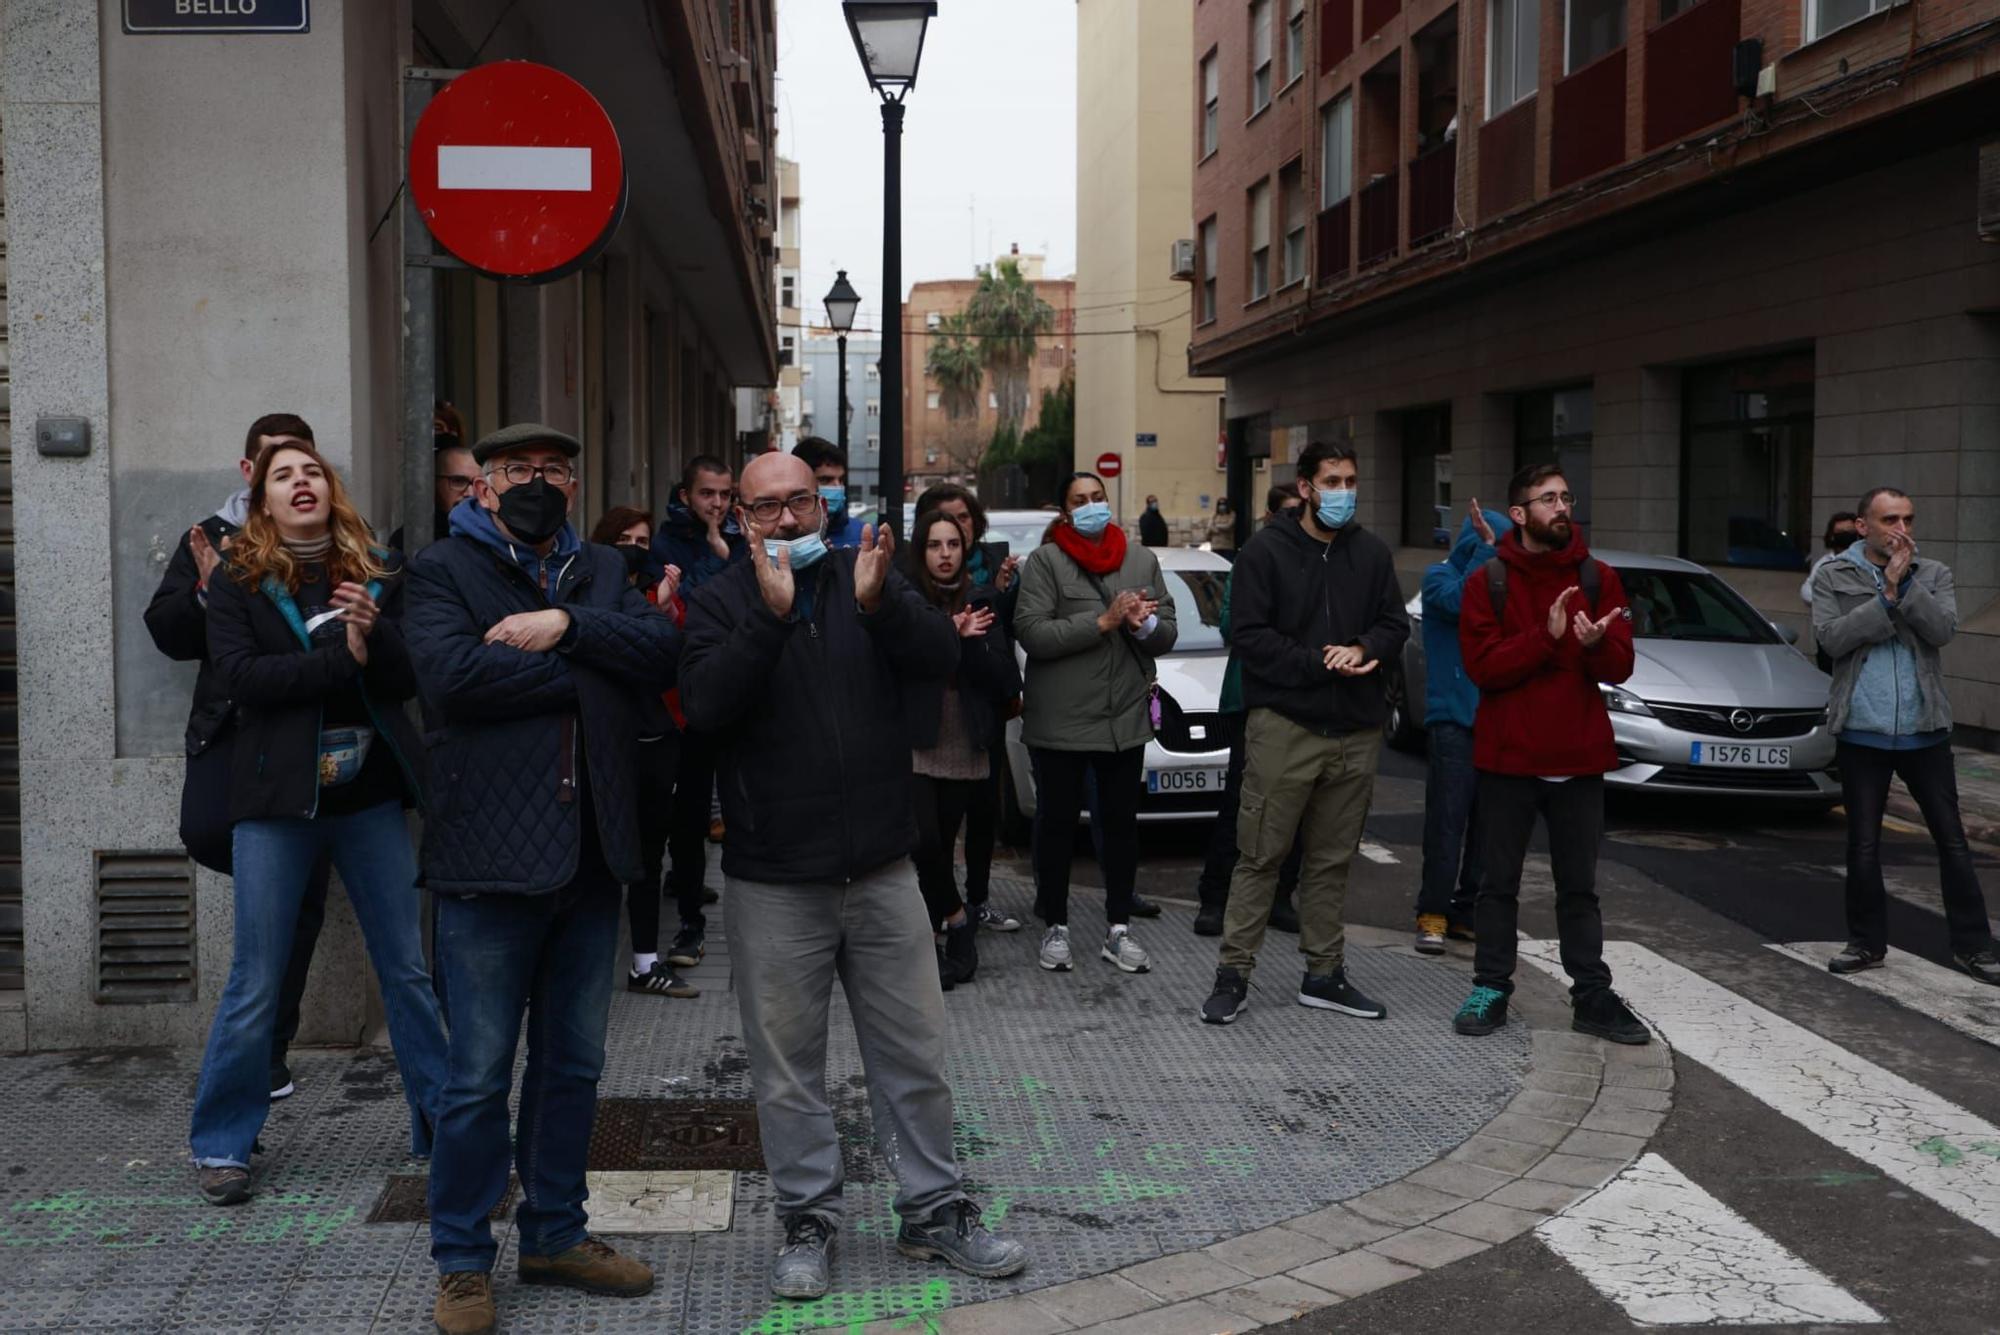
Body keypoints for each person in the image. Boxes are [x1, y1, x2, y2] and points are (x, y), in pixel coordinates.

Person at [680, 452, 1027, 1301]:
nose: (791, 519)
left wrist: (877, 605)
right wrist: (766, 620)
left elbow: (940, 651)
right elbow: (704, 706)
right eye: (768, 508)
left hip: (880, 868)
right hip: (774, 878)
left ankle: (933, 1210)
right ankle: (808, 1219)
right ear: (740, 521)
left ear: (825, 503)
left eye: (802, 500)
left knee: (913, 1051)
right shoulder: (721, 599)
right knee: (788, 1068)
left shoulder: (865, 577)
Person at [406, 423, 680, 1334]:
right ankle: (461, 1259)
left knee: (574, 1066)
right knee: (478, 1076)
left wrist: (564, 626)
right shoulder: (443, 569)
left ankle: (556, 1232)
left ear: (574, 480)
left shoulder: (602, 568)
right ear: (483, 487)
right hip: (487, 861)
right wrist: (587, 671)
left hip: (592, 856)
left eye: (555, 469)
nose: (537, 482)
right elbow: (450, 678)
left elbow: (656, 656)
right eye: (517, 470)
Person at [188, 439, 445, 1208]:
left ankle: (442, 1122)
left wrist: (378, 635)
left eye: (311, 473)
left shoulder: (375, 569)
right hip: (274, 804)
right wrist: (343, 660)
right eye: (282, 476)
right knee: (256, 979)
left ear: (330, 490)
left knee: (406, 967)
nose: (300, 483)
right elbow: (246, 681)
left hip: (365, 800)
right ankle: (223, 1142)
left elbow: (407, 681)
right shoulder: (237, 578)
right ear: (262, 499)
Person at [146, 412, 332, 1104]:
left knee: (305, 889)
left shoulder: (330, 538)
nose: (288, 478)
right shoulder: (214, 536)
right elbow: (165, 631)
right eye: (271, 465)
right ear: (247, 472)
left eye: (303, 464)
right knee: (205, 832)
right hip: (227, 730)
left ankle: (272, 1048)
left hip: (304, 740)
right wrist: (206, 589)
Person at [1199, 443, 1407, 1026]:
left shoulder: (1369, 553)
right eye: (1332, 481)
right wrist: (1321, 663)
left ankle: (1324, 974)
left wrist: (1366, 649)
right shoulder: (1265, 551)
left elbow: (1394, 623)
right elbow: (1248, 636)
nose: (1344, 492)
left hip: (1355, 730)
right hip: (1284, 725)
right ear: (1307, 487)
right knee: (1260, 855)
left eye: (1350, 480)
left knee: (1331, 861)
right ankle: (1232, 975)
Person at [1449, 463, 1649, 1044]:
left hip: (1579, 758)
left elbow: (1621, 665)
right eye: (1548, 499)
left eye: (1566, 497)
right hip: (1508, 758)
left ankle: (1591, 994)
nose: (1562, 508)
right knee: (1497, 885)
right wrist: (1547, 636)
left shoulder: (1598, 577)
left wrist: (1591, 647)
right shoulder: (1488, 582)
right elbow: (1484, 668)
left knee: (1579, 887)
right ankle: (1491, 988)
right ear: (1519, 514)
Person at [1811, 488, 1999, 985]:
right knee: (1864, 845)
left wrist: (1904, 586)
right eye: (1890, 518)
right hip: (1862, 729)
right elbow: (1832, 640)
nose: (1902, 529)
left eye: (1909, 519)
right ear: (1861, 525)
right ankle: (1867, 944)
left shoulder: (1933, 574)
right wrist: (1883, 596)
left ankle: (1975, 948)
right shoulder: (1834, 575)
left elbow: (1942, 632)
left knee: (1953, 842)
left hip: (1924, 730)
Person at [1014, 471, 1178, 975]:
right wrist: (1103, 622)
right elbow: (1032, 633)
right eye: (1079, 501)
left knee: (1121, 827)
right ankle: (1056, 927)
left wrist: (1143, 623)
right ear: (1065, 513)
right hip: (1061, 722)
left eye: (1097, 498)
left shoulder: (1140, 558)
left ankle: (1118, 928)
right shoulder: (1046, 562)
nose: (1091, 506)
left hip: (1122, 719)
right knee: (1059, 827)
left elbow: (1165, 631)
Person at [904, 508, 1023, 989]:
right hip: (915, 739)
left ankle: (937, 938)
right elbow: (901, 664)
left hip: (964, 740)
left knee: (943, 844)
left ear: (964, 550)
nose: (945, 554)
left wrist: (972, 643)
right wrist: (946, 636)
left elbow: (1002, 679)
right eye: (935, 545)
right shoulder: (907, 601)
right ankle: (957, 919)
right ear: (922, 551)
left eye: (952, 545)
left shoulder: (982, 600)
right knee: (922, 840)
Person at [590, 507, 698, 1002]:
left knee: (650, 857)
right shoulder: (588, 592)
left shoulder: (664, 598)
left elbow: (670, 659)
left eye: (642, 540)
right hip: (606, 744)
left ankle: (645, 962)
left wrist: (664, 608)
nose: (635, 549)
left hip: (657, 742)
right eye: (624, 540)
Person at [651, 454, 744, 962]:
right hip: (681, 699)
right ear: (687, 495)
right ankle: (690, 919)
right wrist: (717, 554)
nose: (717, 503)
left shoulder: (736, 539)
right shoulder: (665, 543)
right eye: (708, 493)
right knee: (687, 814)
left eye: (725, 495)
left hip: (731, 690)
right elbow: (692, 606)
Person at [1413, 499, 1514, 954]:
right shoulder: (1439, 578)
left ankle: (1466, 910)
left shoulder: (1501, 587)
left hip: (1494, 723)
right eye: (1496, 546)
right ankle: (1432, 914)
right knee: (1446, 825)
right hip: (1451, 723)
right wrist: (1485, 552)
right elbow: (1457, 603)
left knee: (1488, 828)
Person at [388, 435, 482, 555]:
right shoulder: (407, 539)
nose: (470, 493)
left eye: (478, 483)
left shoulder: (495, 536)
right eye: (458, 481)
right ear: (434, 483)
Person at [1801, 510, 1860, 674]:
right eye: (1841, 533)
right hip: (1829, 638)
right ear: (1832, 536)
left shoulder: (1865, 561)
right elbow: (1806, 591)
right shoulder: (1824, 563)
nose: (1845, 536)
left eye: (1850, 532)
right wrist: (1829, 599)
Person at [795, 436, 865, 550]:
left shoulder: (865, 535)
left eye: (841, 480)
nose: (838, 487)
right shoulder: (782, 535)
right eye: (825, 480)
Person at [1206, 496, 1238, 560]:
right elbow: (1209, 526)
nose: (1221, 506)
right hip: (1215, 546)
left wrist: (1217, 526)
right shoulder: (1214, 515)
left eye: (1223, 504)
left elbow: (1228, 526)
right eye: (1220, 504)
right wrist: (1216, 529)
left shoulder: (1231, 514)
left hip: (1227, 546)